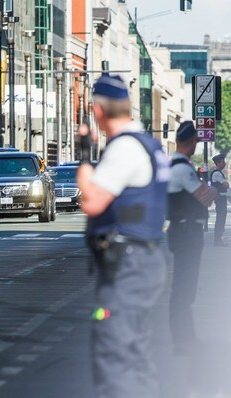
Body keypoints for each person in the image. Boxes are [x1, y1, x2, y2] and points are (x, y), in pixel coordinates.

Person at [76, 74, 170, 398]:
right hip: (144, 259)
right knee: (135, 352)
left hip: (127, 265)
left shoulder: (124, 148)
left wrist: (85, 159)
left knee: (114, 352)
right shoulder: (148, 143)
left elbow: (92, 201)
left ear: (98, 111)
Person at [167, 121, 217, 354]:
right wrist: (214, 191)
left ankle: (185, 338)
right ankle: (182, 340)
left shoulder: (178, 166)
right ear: (190, 141)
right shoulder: (181, 168)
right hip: (186, 234)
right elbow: (203, 197)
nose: (197, 144)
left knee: (185, 288)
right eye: (196, 140)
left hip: (185, 232)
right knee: (183, 288)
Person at [211, 153, 229, 246]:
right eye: (223, 162)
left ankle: (219, 239)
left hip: (221, 198)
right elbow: (226, 185)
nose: (225, 164)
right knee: (220, 219)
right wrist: (226, 184)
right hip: (220, 199)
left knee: (221, 218)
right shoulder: (217, 173)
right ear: (218, 163)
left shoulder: (219, 173)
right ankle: (217, 240)